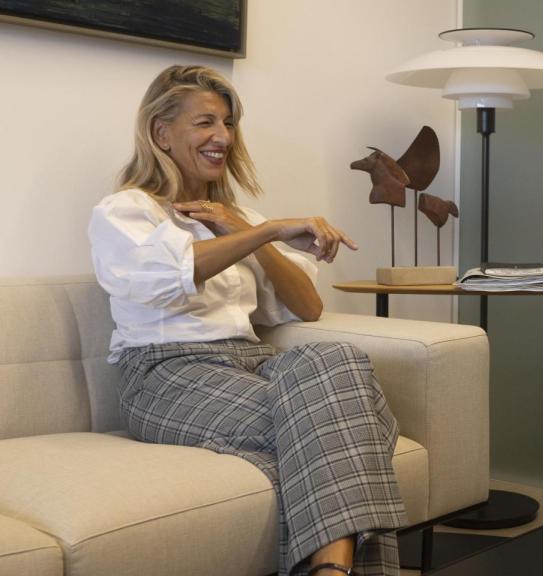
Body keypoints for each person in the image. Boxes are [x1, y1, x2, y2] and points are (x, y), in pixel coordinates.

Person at [88, 65, 404, 576]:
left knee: (337, 361)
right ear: (161, 133)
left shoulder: (239, 219)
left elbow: (308, 306)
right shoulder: (126, 211)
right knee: (351, 420)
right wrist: (266, 232)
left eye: (229, 123)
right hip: (167, 374)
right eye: (206, 122)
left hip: (251, 364)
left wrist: (243, 228)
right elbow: (170, 275)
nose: (224, 136)